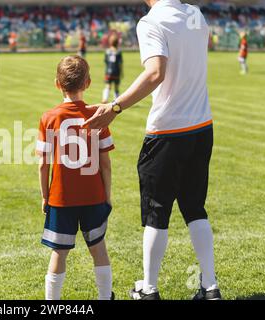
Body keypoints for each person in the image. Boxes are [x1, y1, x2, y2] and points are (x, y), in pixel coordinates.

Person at [84, 0, 221, 300]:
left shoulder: (150, 22)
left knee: (157, 212)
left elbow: (156, 72)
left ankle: (149, 289)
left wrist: (115, 106)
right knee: (195, 208)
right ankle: (210, 287)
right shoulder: (196, 14)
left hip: (168, 131)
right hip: (201, 127)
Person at [36, 56, 115, 300]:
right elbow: (105, 163)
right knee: (98, 249)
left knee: (59, 252)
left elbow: (42, 164)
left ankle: (52, 303)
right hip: (93, 195)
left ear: (57, 84)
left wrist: (45, 196)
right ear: (89, 83)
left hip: (61, 197)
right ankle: (104, 297)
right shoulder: (98, 115)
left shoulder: (49, 117)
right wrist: (107, 195)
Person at [102, 34, 124, 103]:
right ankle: (116, 101)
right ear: (117, 43)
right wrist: (121, 72)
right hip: (116, 71)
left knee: (108, 86)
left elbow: (106, 62)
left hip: (108, 72)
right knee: (116, 87)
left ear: (110, 42)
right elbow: (120, 63)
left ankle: (105, 99)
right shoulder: (118, 52)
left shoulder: (107, 51)